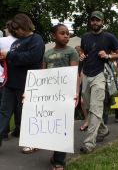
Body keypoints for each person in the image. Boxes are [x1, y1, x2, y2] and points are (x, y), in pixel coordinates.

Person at [79, 10, 118, 153]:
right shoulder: (85, 37)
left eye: (98, 20)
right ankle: (103, 130)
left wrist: (108, 55)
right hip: (86, 74)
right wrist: (81, 54)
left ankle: (89, 143)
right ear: (90, 22)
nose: (95, 22)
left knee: (96, 107)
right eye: (93, 20)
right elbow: (83, 50)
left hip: (100, 75)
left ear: (102, 22)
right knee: (88, 106)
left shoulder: (109, 37)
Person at [0, 13, 45, 147]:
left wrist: (9, 55)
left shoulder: (36, 39)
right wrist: (4, 59)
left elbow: (32, 57)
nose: (16, 31)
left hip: (27, 84)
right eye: (14, 29)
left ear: (25, 25)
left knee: (28, 113)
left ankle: (33, 141)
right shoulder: (16, 42)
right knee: (3, 112)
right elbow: (14, 59)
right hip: (11, 83)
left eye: (18, 28)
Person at [43, 24, 79, 170]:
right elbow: (42, 75)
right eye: (62, 33)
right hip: (50, 96)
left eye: (68, 34)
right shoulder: (47, 54)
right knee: (52, 125)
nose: (66, 36)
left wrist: (76, 93)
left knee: (63, 126)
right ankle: (55, 154)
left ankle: (59, 161)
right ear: (53, 35)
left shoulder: (72, 52)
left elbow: (75, 74)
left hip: (65, 95)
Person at [0, 20, 17, 140]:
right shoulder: (20, 41)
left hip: (3, 76)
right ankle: (19, 130)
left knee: (3, 108)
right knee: (17, 105)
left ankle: (3, 133)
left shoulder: (2, 40)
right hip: (16, 76)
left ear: (8, 28)